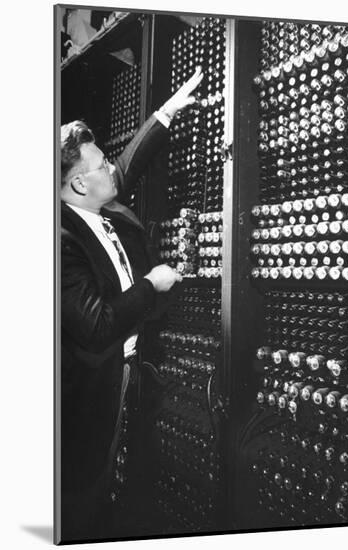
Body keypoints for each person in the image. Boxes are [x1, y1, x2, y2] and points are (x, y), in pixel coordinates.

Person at [59, 67, 203, 542]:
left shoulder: (92, 203)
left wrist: (165, 113)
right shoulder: (60, 241)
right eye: (99, 167)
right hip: (95, 384)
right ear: (80, 185)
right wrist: (151, 283)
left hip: (130, 367)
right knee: (87, 486)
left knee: (111, 471)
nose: (110, 173)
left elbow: (123, 169)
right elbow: (98, 324)